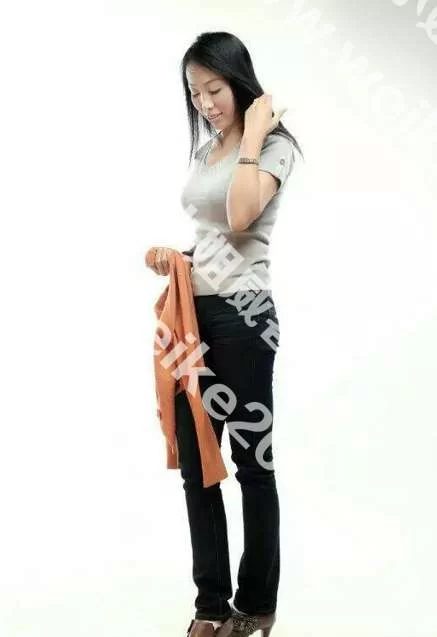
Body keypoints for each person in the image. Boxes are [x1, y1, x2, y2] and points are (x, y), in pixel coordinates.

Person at [146, 31, 303, 637]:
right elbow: (211, 234)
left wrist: (255, 134)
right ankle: (210, 606)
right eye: (195, 92)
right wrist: (178, 258)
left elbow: (240, 216)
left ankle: (256, 606)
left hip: (245, 318)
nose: (205, 103)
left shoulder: (275, 147)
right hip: (195, 317)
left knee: (252, 465)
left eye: (214, 89)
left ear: (238, 80)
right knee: (199, 466)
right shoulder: (209, 148)